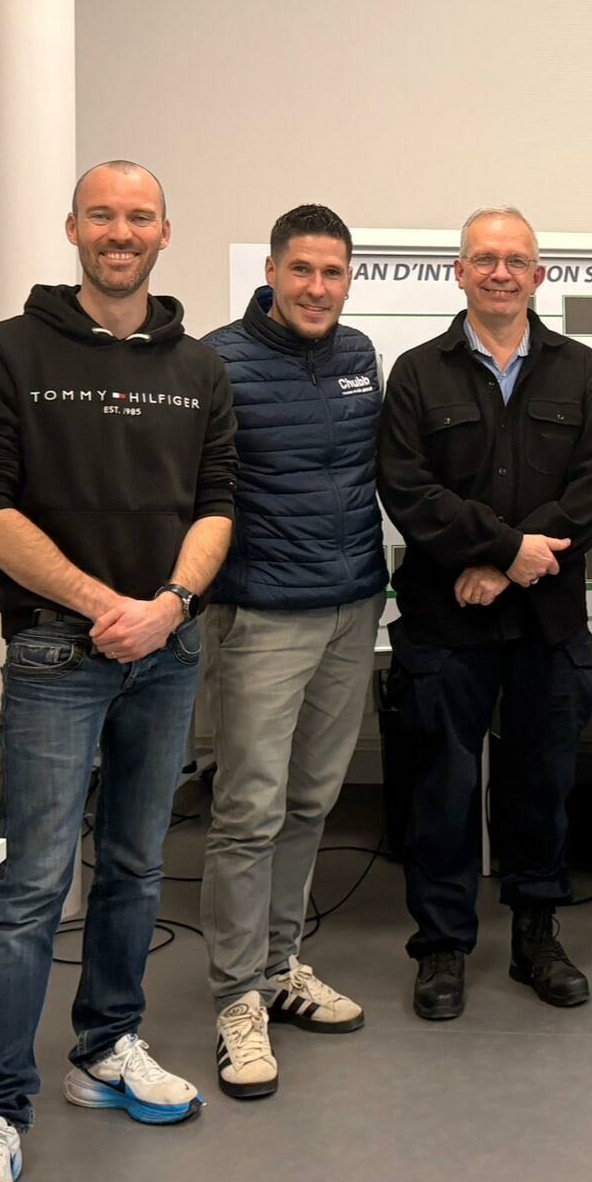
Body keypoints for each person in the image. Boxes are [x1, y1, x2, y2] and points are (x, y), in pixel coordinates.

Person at [0, 161, 235, 1182]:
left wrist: (167, 606)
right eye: (103, 214)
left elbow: (217, 502)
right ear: (73, 226)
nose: (121, 231)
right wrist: (96, 603)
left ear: (166, 231)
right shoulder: (10, 352)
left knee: (137, 870)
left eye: (139, 216)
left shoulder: (198, 367)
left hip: (166, 652)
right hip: (54, 659)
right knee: (28, 892)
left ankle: (105, 1049)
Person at [376, 206, 592, 1019]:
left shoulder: (579, 369)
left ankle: (536, 940)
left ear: (538, 274)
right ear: (461, 271)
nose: (501, 273)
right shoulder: (417, 372)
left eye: (516, 260)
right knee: (440, 791)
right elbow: (408, 490)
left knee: (542, 786)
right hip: (446, 622)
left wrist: (512, 566)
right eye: (485, 259)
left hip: (546, 623)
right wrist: (496, 552)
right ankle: (442, 949)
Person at [197, 204, 387, 1099]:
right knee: (249, 811)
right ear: (271, 272)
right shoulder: (218, 362)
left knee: (312, 800)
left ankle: (279, 966)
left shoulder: (358, 357)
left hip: (354, 608)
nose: (318, 288)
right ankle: (235, 998)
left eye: (334, 272)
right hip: (264, 616)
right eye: (302, 270)